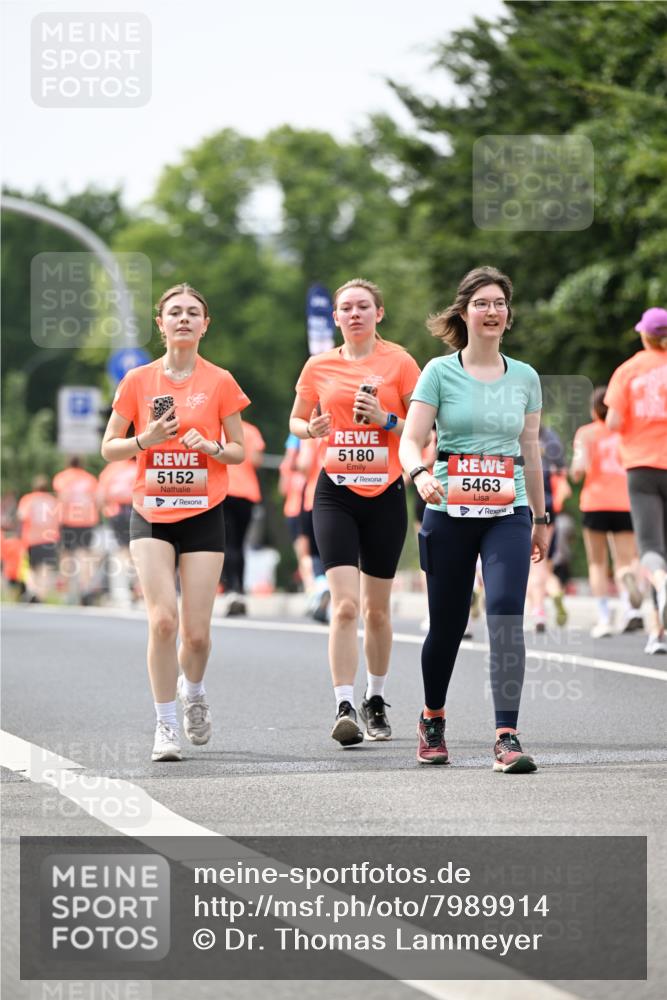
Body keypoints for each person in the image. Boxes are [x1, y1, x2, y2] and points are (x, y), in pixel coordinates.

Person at [400, 266, 548, 772]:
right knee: (448, 623)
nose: (492, 311)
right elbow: (408, 438)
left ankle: (507, 735)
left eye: (500, 303)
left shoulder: (525, 376)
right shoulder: (439, 372)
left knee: (506, 614)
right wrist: (419, 473)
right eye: (482, 302)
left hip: (508, 509)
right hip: (447, 507)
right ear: (464, 312)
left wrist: (541, 515)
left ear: (508, 315)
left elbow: (531, 449)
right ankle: (432, 718)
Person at [101, 282, 249, 761]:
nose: (183, 319)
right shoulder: (139, 381)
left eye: (193, 313)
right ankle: (165, 725)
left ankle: (195, 691)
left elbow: (239, 450)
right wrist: (145, 440)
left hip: (204, 512)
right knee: (163, 621)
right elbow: (109, 448)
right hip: (151, 512)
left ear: (205, 325)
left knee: (197, 634)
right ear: (160, 324)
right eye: (175, 312)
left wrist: (210, 449)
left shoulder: (221, 381)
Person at [290, 278, 420, 746]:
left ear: (378, 313)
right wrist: (312, 427)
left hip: (385, 490)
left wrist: (385, 419)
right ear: (337, 318)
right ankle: (343, 704)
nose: (355, 314)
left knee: (377, 612)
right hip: (335, 491)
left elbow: (424, 430)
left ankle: (376, 698)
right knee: (344, 606)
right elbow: (296, 419)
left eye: (364, 306)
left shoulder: (401, 363)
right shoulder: (319, 365)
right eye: (346, 308)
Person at [605, 307, 667, 655]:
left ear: (644, 335)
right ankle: (658, 630)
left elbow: (613, 421)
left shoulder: (629, 370)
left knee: (650, 548)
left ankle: (658, 606)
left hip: (642, 467)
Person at [570, 386, 642, 638]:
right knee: (624, 560)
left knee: (597, 563)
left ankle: (603, 617)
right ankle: (629, 606)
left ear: (593, 410)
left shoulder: (586, 433)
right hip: (624, 501)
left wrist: (580, 468)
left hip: (595, 502)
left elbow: (577, 470)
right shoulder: (626, 432)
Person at [526, 425, 569, 632]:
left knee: (529, 564)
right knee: (541, 562)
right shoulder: (550, 436)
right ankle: (552, 591)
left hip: (518, 502)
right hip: (547, 506)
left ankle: (538, 609)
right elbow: (562, 472)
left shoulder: (514, 431)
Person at [221, 419, 265, 615]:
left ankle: (231, 588)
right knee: (240, 543)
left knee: (227, 543)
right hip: (246, 493)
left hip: (223, 490)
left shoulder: (218, 430)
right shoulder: (250, 430)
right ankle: (239, 588)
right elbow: (256, 460)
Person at [52, 457, 100, 604]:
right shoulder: (90, 479)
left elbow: (62, 498)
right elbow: (97, 500)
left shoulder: (62, 477)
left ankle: (64, 592)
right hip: (87, 520)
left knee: (66, 554)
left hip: (68, 520)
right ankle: (85, 587)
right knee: (84, 555)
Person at [97, 458, 139, 607]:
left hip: (115, 511)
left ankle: (124, 590)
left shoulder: (111, 469)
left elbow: (101, 494)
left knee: (122, 550)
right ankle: (136, 586)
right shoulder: (139, 466)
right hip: (136, 509)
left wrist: (102, 511)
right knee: (136, 549)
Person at [16, 475, 60, 603]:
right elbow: (59, 519)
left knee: (31, 568)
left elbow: (21, 516)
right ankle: (41, 595)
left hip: (32, 539)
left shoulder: (28, 499)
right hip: (49, 539)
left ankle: (33, 591)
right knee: (45, 568)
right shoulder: (53, 501)